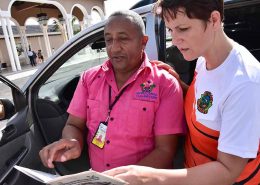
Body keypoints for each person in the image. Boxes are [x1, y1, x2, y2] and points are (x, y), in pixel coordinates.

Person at [104, 0, 260, 184]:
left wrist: (149, 176)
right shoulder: (204, 58)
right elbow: (205, 105)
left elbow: (228, 170)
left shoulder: (245, 82)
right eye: (171, 30)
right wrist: (178, 84)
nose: (175, 40)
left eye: (183, 29)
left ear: (214, 20)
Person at [39, 10, 186, 172]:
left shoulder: (165, 84)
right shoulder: (89, 78)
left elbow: (165, 150)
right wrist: (73, 141)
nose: (114, 48)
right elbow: (73, 124)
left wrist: (121, 179)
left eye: (123, 39)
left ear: (143, 42)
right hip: (98, 177)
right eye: (109, 40)